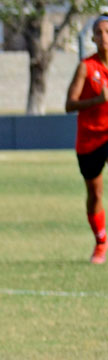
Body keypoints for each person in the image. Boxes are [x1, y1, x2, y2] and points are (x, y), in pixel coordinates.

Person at [66, 14, 108, 264]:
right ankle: (101, 242)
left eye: (107, 31)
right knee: (95, 193)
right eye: (99, 32)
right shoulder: (86, 66)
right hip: (91, 137)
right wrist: (98, 100)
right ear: (92, 38)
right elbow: (69, 104)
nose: (104, 37)